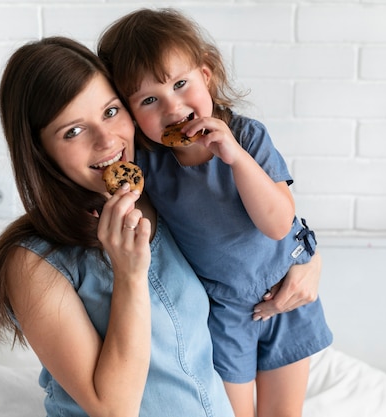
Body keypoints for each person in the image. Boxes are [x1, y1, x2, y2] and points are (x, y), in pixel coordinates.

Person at [0, 36, 323, 417]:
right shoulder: (33, 264)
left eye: (110, 112)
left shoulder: (160, 191)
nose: (107, 140)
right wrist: (128, 275)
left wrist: (303, 256)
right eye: (72, 131)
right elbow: (114, 409)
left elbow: (249, 230)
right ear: (39, 151)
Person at [98, 8, 333, 417]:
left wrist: (236, 158)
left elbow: (278, 224)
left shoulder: (246, 136)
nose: (172, 107)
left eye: (181, 84)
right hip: (223, 311)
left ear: (206, 77)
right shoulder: (150, 167)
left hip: (285, 288)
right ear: (132, 115)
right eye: (150, 100)